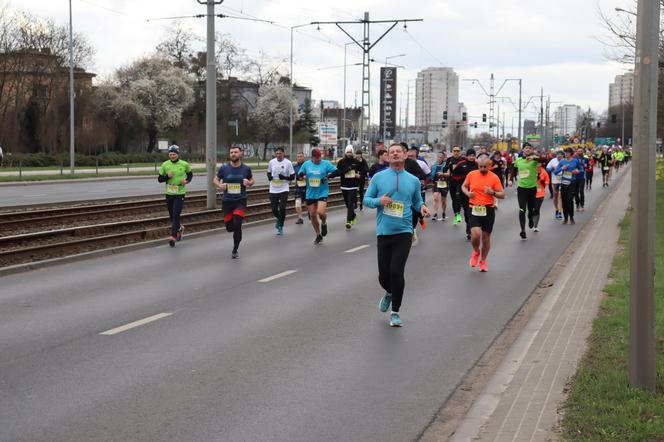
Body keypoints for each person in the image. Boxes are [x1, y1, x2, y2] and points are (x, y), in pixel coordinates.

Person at [363, 143, 431, 327]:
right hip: (384, 232)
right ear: (387, 156)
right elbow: (366, 200)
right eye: (391, 152)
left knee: (396, 272)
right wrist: (380, 201)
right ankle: (389, 292)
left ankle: (395, 312)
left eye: (398, 152)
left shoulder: (413, 180)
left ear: (404, 155)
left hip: (404, 232)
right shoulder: (378, 178)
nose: (394, 154)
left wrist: (422, 207)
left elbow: (417, 200)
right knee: (383, 276)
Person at [462, 154, 506, 272]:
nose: (482, 169)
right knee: (475, 234)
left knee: (486, 238)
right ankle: (476, 251)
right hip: (474, 207)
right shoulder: (471, 175)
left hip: (488, 209)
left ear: (489, 166)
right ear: (478, 165)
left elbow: (503, 194)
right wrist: (467, 193)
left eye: (485, 167)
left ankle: (483, 260)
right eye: (480, 166)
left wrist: (492, 192)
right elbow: (464, 186)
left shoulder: (494, 177)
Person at [213, 146, 255, 258]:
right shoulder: (224, 168)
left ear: (240, 154)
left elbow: (252, 180)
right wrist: (220, 185)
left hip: (240, 200)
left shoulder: (246, 168)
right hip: (227, 201)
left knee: (237, 223)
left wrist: (249, 183)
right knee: (229, 227)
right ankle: (235, 230)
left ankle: (235, 249)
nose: (233, 154)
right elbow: (215, 179)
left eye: (235, 152)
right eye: (231, 152)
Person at [297, 148, 337, 244]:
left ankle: (323, 223)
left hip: (322, 192)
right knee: (312, 215)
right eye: (317, 158)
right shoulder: (306, 164)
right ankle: (318, 235)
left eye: (320, 157)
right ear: (312, 157)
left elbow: (336, 171)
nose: (319, 159)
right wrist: (301, 175)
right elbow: (299, 175)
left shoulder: (326, 163)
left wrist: (327, 177)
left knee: (321, 212)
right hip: (310, 193)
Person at [157, 145, 193, 247]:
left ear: (178, 154)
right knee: (172, 216)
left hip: (180, 192)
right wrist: (166, 176)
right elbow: (159, 179)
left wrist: (186, 181)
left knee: (176, 215)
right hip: (169, 193)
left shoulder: (184, 164)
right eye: (170, 154)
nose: (172, 156)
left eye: (174, 154)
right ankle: (179, 228)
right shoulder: (165, 165)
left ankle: (173, 236)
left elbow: (190, 174)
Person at [510, 142, 539, 240]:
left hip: (532, 188)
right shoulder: (518, 160)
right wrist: (510, 179)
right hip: (522, 189)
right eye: (526, 148)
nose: (528, 150)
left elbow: (546, 160)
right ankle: (522, 230)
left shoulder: (535, 160)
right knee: (522, 209)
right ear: (523, 150)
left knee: (531, 209)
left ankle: (530, 218)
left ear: (532, 150)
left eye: (530, 148)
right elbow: (513, 170)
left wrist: (534, 158)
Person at [267, 147, 295, 235]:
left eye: (280, 153)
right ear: (275, 154)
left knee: (282, 208)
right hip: (273, 188)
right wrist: (269, 177)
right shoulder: (272, 162)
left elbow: (292, 177)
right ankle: (280, 219)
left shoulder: (288, 163)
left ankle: (280, 226)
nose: (278, 155)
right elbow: (268, 172)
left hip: (284, 188)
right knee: (274, 209)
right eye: (277, 153)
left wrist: (284, 177)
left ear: (283, 153)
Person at [451, 148, 479, 240]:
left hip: (475, 191)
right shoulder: (461, 164)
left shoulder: (477, 165)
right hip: (464, 190)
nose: (471, 157)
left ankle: (471, 227)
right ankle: (468, 226)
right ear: (467, 156)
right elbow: (453, 175)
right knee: (467, 210)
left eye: (473, 155)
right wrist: (462, 178)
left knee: (473, 210)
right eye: (470, 155)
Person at [334, 146, 362, 229]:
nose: (349, 154)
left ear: (352, 152)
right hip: (344, 186)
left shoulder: (356, 162)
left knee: (350, 204)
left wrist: (359, 175)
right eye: (347, 152)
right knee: (347, 204)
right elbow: (338, 172)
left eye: (350, 152)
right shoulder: (341, 162)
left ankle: (349, 221)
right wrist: (330, 175)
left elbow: (362, 172)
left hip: (353, 186)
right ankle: (353, 215)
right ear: (345, 153)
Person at [555, 147, 584, 225]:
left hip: (572, 183)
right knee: (564, 201)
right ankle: (565, 218)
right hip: (563, 183)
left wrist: (577, 171)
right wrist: (561, 168)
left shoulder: (575, 161)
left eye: (567, 152)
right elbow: (555, 172)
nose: (566, 154)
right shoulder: (562, 161)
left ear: (571, 153)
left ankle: (571, 217)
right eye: (565, 152)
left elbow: (582, 169)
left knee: (569, 200)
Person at [444, 146, 465, 225]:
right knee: (454, 199)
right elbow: (444, 170)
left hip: (460, 182)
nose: (456, 152)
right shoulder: (449, 160)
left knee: (458, 198)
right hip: (452, 181)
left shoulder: (463, 160)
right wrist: (448, 165)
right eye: (454, 151)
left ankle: (458, 214)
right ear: (452, 151)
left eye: (458, 151)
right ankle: (456, 214)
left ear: (460, 151)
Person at [532, 158, 550, 232]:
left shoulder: (544, 172)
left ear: (541, 164)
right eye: (536, 163)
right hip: (531, 193)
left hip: (540, 194)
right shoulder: (531, 170)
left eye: (539, 163)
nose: (537, 165)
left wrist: (542, 181)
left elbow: (547, 182)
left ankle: (535, 226)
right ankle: (531, 220)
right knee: (531, 209)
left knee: (537, 209)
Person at [430, 152, 449, 221]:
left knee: (443, 200)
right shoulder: (433, 165)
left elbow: (449, 174)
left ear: (443, 158)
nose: (439, 158)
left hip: (444, 184)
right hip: (436, 183)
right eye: (438, 157)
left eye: (441, 157)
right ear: (436, 157)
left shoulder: (446, 166)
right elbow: (430, 174)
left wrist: (443, 174)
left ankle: (443, 212)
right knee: (435, 197)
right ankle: (435, 213)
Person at [546, 150, 564, 219]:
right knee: (555, 196)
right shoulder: (553, 161)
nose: (559, 158)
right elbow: (547, 169)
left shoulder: (564, 161)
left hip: (562, 181)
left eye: (561, 157)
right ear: (556, 156)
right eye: (558, 156)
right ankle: (556, 209)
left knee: (560, 196)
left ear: (563, 156)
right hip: (554, 181)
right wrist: (551, 168)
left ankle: (560, 212)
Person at [292, 152, 307, 224]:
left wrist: (305, 177)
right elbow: (291, 175)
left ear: (304, 157)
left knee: (307, 204)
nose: (299, 158)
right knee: (297, 204)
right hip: (298, 187)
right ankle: (300, 218)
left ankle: (310, 213)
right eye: (298, 157)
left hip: (307, 187)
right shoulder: (294, 167)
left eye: (301, 156)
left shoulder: (308, 165)